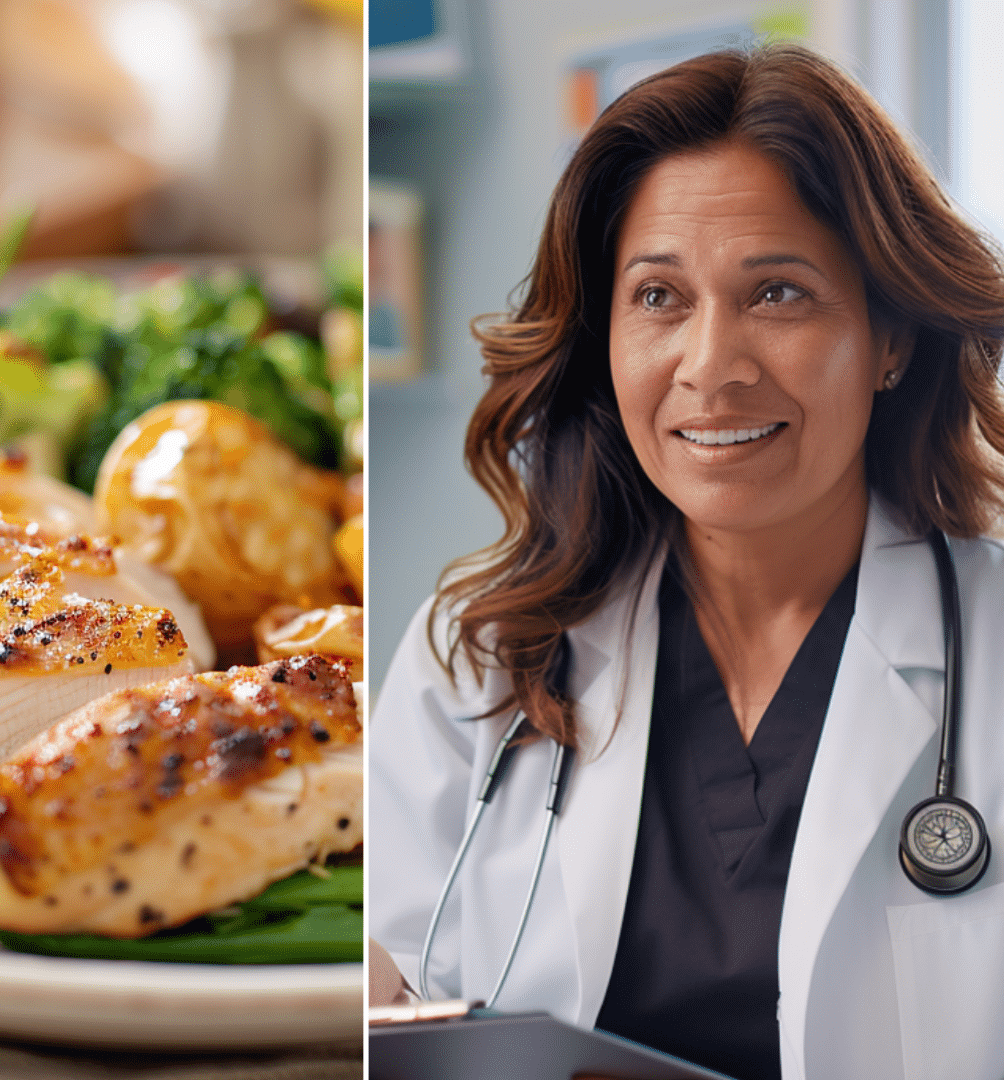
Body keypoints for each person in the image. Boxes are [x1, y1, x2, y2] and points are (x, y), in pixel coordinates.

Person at [370, 44, 1004, 1080]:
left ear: (890, 337)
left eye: (779, 295)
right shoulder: (479, 651)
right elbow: (393, 997)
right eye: (660, 298)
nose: (711, 368)